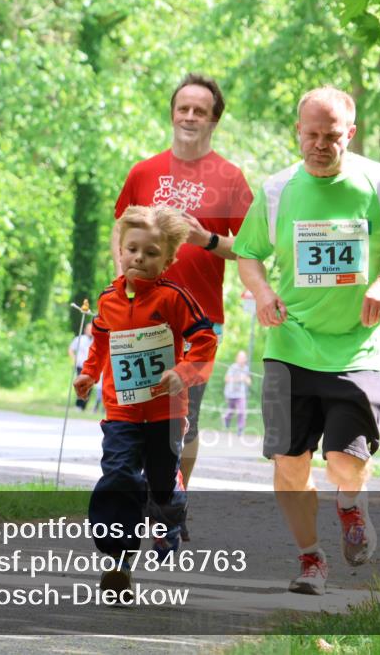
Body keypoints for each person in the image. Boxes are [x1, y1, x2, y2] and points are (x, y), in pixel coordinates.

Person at [234, 86, 380, 595]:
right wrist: (262, 292)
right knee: (289, 464)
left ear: (351, 133)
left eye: (332, 136)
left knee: (345, 462)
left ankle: (350, 504)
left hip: (357, 349)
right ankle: (311, 559)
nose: (321, 145)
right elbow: (248, 253)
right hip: (289, 346)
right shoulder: (276, 191)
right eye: (312, 134)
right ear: (298, 132)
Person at [110, 73, 253, 504]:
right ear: (173, 114)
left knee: (182, 421)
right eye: (183, 108)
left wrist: (206, 239)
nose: (190, 117)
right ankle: (140, 499)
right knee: (135, 416)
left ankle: (170, 507)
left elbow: (250, 248)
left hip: (198, 321)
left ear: (214, 120)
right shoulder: (144, 171)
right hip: (140, 315)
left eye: (200, 111)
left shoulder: (230, 178)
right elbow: (120, 227)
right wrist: (121, 280)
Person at [74, 205, 217, 597]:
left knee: (160, 483)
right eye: (132, 249)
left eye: (151, 253)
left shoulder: (175, 298)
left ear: (168, 261)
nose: (139, 258)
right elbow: (101, 339)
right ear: (120, 251)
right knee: (119, 475)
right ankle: (119, 562)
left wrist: (183, 372)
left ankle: (171, 513)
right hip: (121, 411)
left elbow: (205, 341)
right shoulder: (108, 299)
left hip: (165, 413)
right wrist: (89, 372)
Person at [222, 350, 252, 436]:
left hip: (240, 394)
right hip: (230, 393)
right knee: (231, 410)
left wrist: (247, 380)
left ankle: (240, 428)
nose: (242, 359)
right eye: (240, 357)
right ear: (237, 358)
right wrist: (239, 378)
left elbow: (248, 381)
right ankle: (226, 419)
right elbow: (226, 379)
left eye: (244, 358)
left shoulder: (246, 368)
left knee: (242, 411)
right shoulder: (233, 367)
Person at [69, 324, 94, 410]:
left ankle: (83, 406)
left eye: (92, 330)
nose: (90, 331)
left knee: (89, 385)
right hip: (81, 365)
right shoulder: (79, 339)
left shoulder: (95, 340)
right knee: (81, 384)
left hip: (91, 366)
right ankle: (78, 405)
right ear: (85, 330)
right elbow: (71, 349)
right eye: (89, 329)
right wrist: (74, 359)